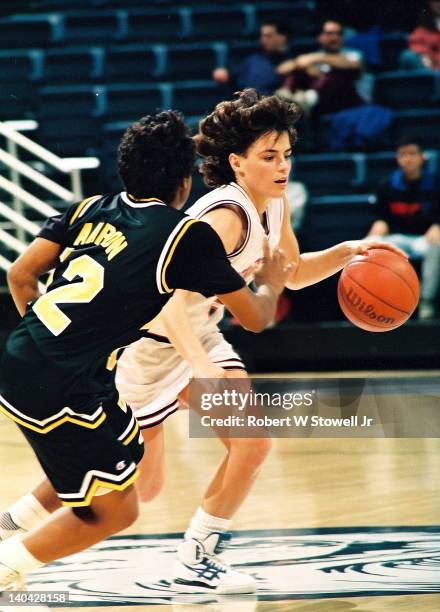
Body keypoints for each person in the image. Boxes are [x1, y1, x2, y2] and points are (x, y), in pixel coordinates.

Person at [0, 91, 404, 596]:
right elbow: (168, 300)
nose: (282, 167)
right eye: (268, 157)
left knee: (251, 442)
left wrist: (349, 252)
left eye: (286, 155)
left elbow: (290, 274)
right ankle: (10, 529)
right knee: (134, 486)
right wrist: (197, 364)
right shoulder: (221, 217)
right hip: (153, 347)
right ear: (237, 162)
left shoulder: (274, 206)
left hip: (200, 338)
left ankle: (198, 556)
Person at [0, 109, 293, 592]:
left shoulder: (87, 208)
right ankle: (10, 568)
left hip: (22, 357)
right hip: (72, 378)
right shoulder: (185, 234)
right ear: (184, 181)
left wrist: (47, 337)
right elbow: (258, 317)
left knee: (125, 463)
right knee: (118, 510)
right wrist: (274, 282)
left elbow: (19, 274)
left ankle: (12, 523)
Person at [367, 136, 440, 319]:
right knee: (368, 244)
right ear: (397, 158)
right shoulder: (387, 185)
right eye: (403, 154)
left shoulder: (436, 183)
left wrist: (438, 225)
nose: (408, 158)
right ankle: (372, 301)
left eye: (412, 154)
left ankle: (427, 302)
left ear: (423, 157)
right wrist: (379, 225)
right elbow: (380, 216)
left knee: (438, 245)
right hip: (397, 239)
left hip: (424, 240)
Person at [277, 20, 365, 117]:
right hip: (321, 104)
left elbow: (354, 66)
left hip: (350, 104)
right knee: (297, 72)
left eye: (339, 34)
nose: (335, 38)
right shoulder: (313, 56)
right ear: (319, 37)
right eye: (329, 34)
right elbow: (281, 69)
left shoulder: (352, 54)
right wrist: (300, 63)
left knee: (336, 75)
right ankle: (285, 98)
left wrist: (316, 59)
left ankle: (303, 102)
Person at [212, 19, 291, 95]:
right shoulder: (252, 60)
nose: (263, 40)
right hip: (247, 105)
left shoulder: (293, 62)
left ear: (283, 37)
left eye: (268, 36)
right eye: (262, 36)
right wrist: (224, 74)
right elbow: (231, 76)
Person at [400, 0, 440, 71]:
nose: (438, 4)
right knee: (408, 56)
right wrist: (425, 55)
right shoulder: (424, 28)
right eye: (435, 1)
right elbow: (417, 45)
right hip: (433, 68)